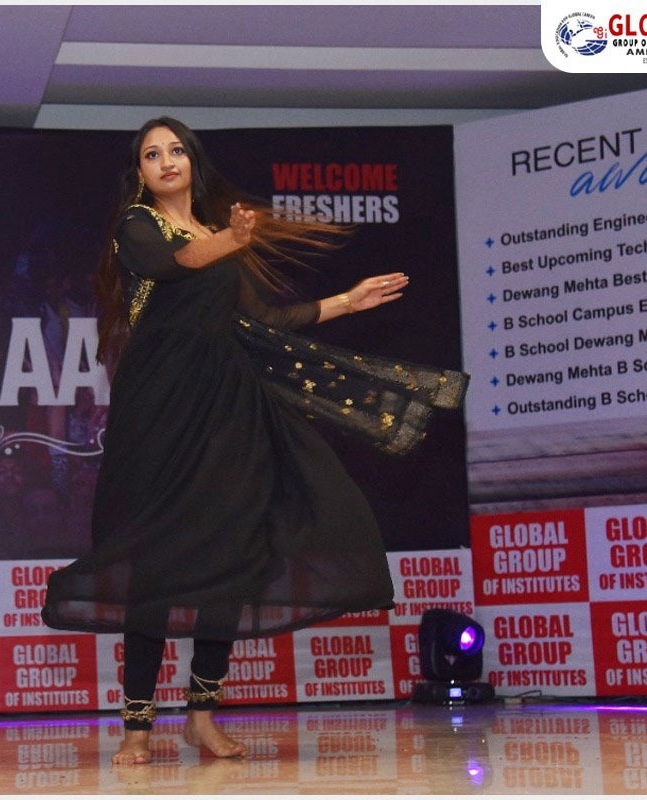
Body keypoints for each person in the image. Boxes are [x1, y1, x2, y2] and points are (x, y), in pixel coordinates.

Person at [41, 117, 467, 765]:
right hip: (158, 415)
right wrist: (232, 239)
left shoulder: (221, 237)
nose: (166, 160)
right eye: (152, 154)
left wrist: (345, 302)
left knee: (228, 556)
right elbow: (174, 263)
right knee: (153, 565)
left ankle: (201, 717)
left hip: (226, 410)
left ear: (193, 160)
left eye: (176, 149)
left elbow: (264, 319)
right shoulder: (138, 225)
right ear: (141, 173)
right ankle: (137, 729)